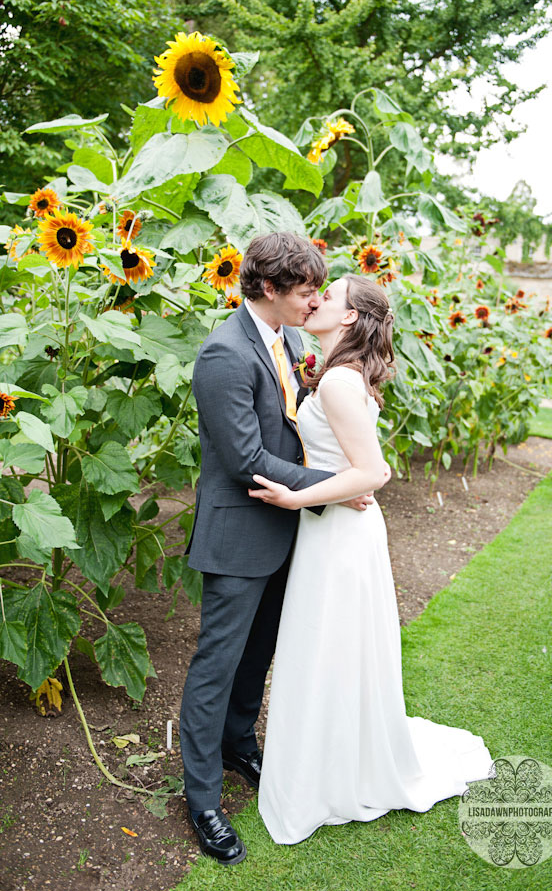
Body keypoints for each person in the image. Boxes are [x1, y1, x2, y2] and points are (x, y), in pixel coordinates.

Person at [249, 273, 496, 845]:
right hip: (335, 529)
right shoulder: (334, 374)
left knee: (326, 642)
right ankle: (335, 756)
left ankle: (330, 770)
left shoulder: (339, 381)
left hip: (337, 531)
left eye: (327, 297)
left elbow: (373, 472)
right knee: (332, 644)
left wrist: (295, 495)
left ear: (351, 318)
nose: (315, 301)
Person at [180, 233, 377, 865]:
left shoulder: (290, 341)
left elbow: (296, 430)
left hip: (292, 531)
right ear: (267, 289)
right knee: (218, 661)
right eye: (305, 291)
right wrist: (335, 487)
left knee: (259, 653)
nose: (314, 300)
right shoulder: (222, 355)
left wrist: (329, 484)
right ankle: (202, 796)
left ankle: (240, 743)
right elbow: (245, 461)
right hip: (241, 532)